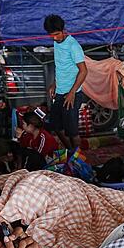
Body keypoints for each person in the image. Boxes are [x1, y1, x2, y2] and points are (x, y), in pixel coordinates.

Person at [44, 15, 88, 150]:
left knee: (72, 131)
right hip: (60, 92)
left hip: (72, 94)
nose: (55, 38)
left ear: (64, 30)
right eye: (52, 36)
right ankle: (70, 152)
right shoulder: (56, 43)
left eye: (57, 34)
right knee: (56, 126)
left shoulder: (73, 45)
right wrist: (54, 84)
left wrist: (72, 93)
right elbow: (62, 67)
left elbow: (83, 71)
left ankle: (77, 158)